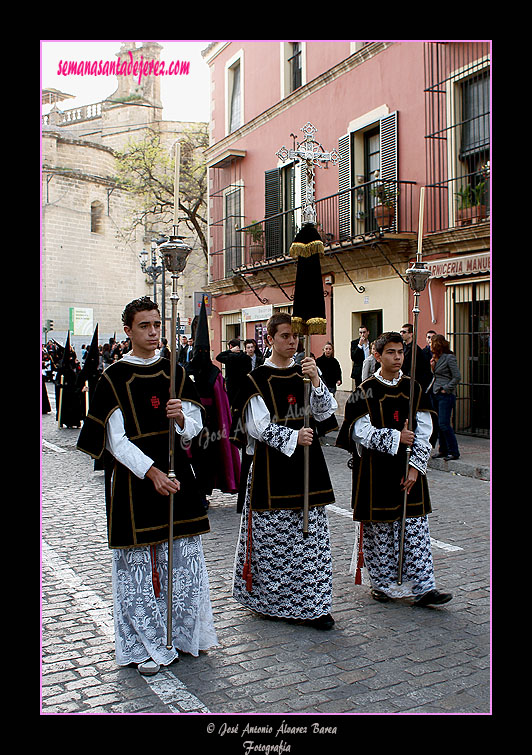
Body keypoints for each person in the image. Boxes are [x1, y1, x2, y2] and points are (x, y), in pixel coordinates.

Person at [76, 296, 218, 676]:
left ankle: (185, 636)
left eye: (157, 324)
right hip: (134, 481)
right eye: (145, 326)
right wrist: (152, 473)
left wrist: (180, 419)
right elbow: (115, 441)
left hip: (178, 474)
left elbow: (195, 427)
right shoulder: (113, 378)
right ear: (128, 331)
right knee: (135, 568)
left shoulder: (175, 368)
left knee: (185, 560)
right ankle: (143, 644)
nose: (154, 332)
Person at [230, 313, 337, 630]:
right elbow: (257, 425)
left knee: (310, 541)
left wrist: (316, 381)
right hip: (272, 469)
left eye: (296, 338)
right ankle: (271, 601)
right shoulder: (256, 379)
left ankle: (314, 604)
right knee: (274, 541)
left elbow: (325, 411)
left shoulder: (306, 373)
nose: (292, 342)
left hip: (307, 466)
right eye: (286, 336)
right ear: (270, 339)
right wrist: (293, 436)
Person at [336, 331, 452, 607]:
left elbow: (425, 430)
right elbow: (359, 431)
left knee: (415, 529)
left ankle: (425, 587)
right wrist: (395, 437)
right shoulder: (365, 391)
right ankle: (382, 584)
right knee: (379, 530)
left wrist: (415, 467)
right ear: (377, 355)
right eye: (391, 352)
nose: (397, 357)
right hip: (375, 470)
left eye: (400, 352)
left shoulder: (414, 388)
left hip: (407, 469)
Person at [430, 334, 461, 461]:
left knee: (444, 423)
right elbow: (436, 375)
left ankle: (454, 451)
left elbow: (457, 376)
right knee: (438, 423)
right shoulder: (435, 358)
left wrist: (446, 388)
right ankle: (443, 450)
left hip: (445, 395)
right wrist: (432, 366)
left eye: (432, 343)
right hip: (435, 392)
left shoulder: (449, 358)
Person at [216, 339, 251, 410]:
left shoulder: (229, 356)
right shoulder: (245, 356)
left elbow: (218, 357)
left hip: (231, 384)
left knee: (230, 405)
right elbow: (249, 369)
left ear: (230, 346)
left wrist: (230, 351)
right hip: (242, 384)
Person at [400, 323, 433, 392]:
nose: (401, 334)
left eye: (404, 332)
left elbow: (421, 368)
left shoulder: (416, 350)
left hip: (412, 382)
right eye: (400, 331)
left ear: (411, 334)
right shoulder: (401, 347)